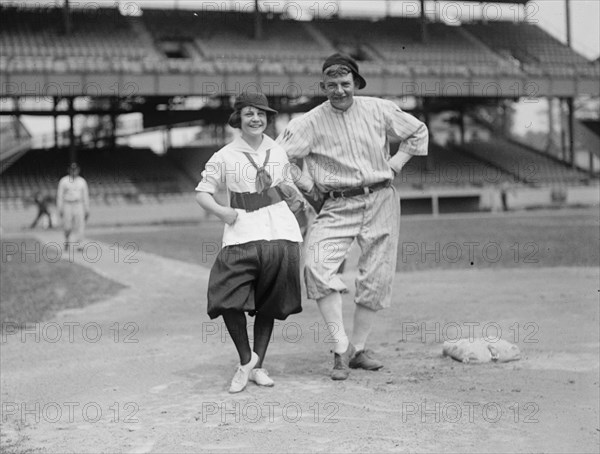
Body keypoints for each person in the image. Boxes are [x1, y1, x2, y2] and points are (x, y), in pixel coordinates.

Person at [277, 53, 429, 380]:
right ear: (323, 86)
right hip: (336, 204)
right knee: (316, 266)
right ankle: (340, 345)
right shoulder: (308, 122)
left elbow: (418, 132)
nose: (339, 90)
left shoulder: (378, 108)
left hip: (380, 198)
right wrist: (306, 186)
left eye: (345, 83)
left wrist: (396, 163)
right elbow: (276, 159)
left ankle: (358, 350)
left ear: (355, 84)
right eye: (331, 84)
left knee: (377, 275)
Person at [195, 92, 303, 393]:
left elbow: (287, 188)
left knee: (269, 303)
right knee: (224, 295)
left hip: (281, 232)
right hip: (242, 231)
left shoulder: (279, 152)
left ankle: (257, 367)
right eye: (249, 114)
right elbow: (202, 192)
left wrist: (295, 197)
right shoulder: (225, 155)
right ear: (238, 119)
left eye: (261, 114)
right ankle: (246, 360)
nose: (256, 119)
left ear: (268, 118)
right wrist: (223, 212)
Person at [56, 163, 90, 251]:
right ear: (69, 170)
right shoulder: (64, 181)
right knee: (67, 225)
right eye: (72, 170)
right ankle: (67, 239)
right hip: (68, 204)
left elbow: (85, 196)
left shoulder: (82, 181)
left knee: (80, 224)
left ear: (78, 170)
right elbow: (60, 195)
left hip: (78, 204)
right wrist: (60, 208)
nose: (74, 172)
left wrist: (87, 209)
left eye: (75, 170)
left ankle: (80, 244)